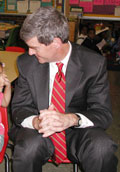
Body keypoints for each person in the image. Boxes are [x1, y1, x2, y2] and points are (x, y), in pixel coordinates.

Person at [9, 6, 118, 172]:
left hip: (77, 131)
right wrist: (37, 122)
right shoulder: (26, 63)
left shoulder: (93, 64)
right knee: (27, 149)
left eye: (35, 47)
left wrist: (71, 119)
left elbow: (102, 113)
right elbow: (19, 108)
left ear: (55, 43)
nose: (29, 53)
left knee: (102, 148)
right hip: (38, 130)